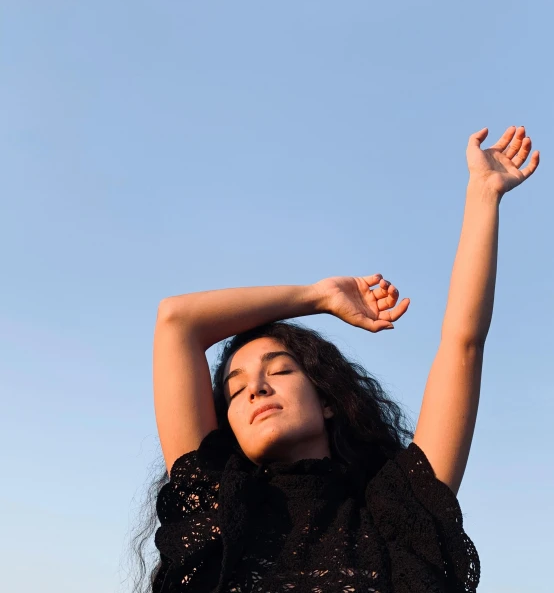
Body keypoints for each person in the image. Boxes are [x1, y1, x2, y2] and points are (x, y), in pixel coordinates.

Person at [142, 126, 539, 593]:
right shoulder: (213, 509)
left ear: (327, 399)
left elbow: (463, 345)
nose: (256, 389)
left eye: (280, 370)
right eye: (235, 389)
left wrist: (483, 193)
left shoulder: (397, 512)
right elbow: (177, 322)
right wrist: (317, 295)